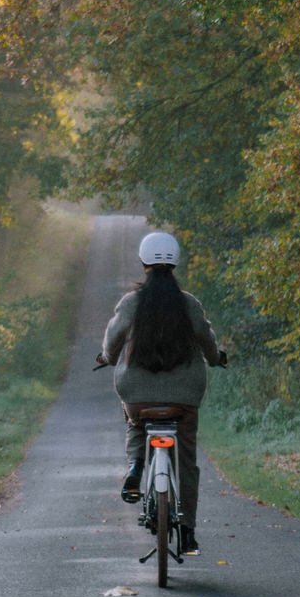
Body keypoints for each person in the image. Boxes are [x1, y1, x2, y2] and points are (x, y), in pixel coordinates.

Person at [93, 230, 226, 555]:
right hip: (184, 398)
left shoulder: (131, 303)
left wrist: (107, 358)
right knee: (187, 461)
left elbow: (112, 342)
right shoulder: (189, 304)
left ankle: (135, 466)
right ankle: (189, 532)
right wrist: (216, 358)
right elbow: (208, 342)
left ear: (143, 263)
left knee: (135, 422)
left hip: (138, 395)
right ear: (175, 264)